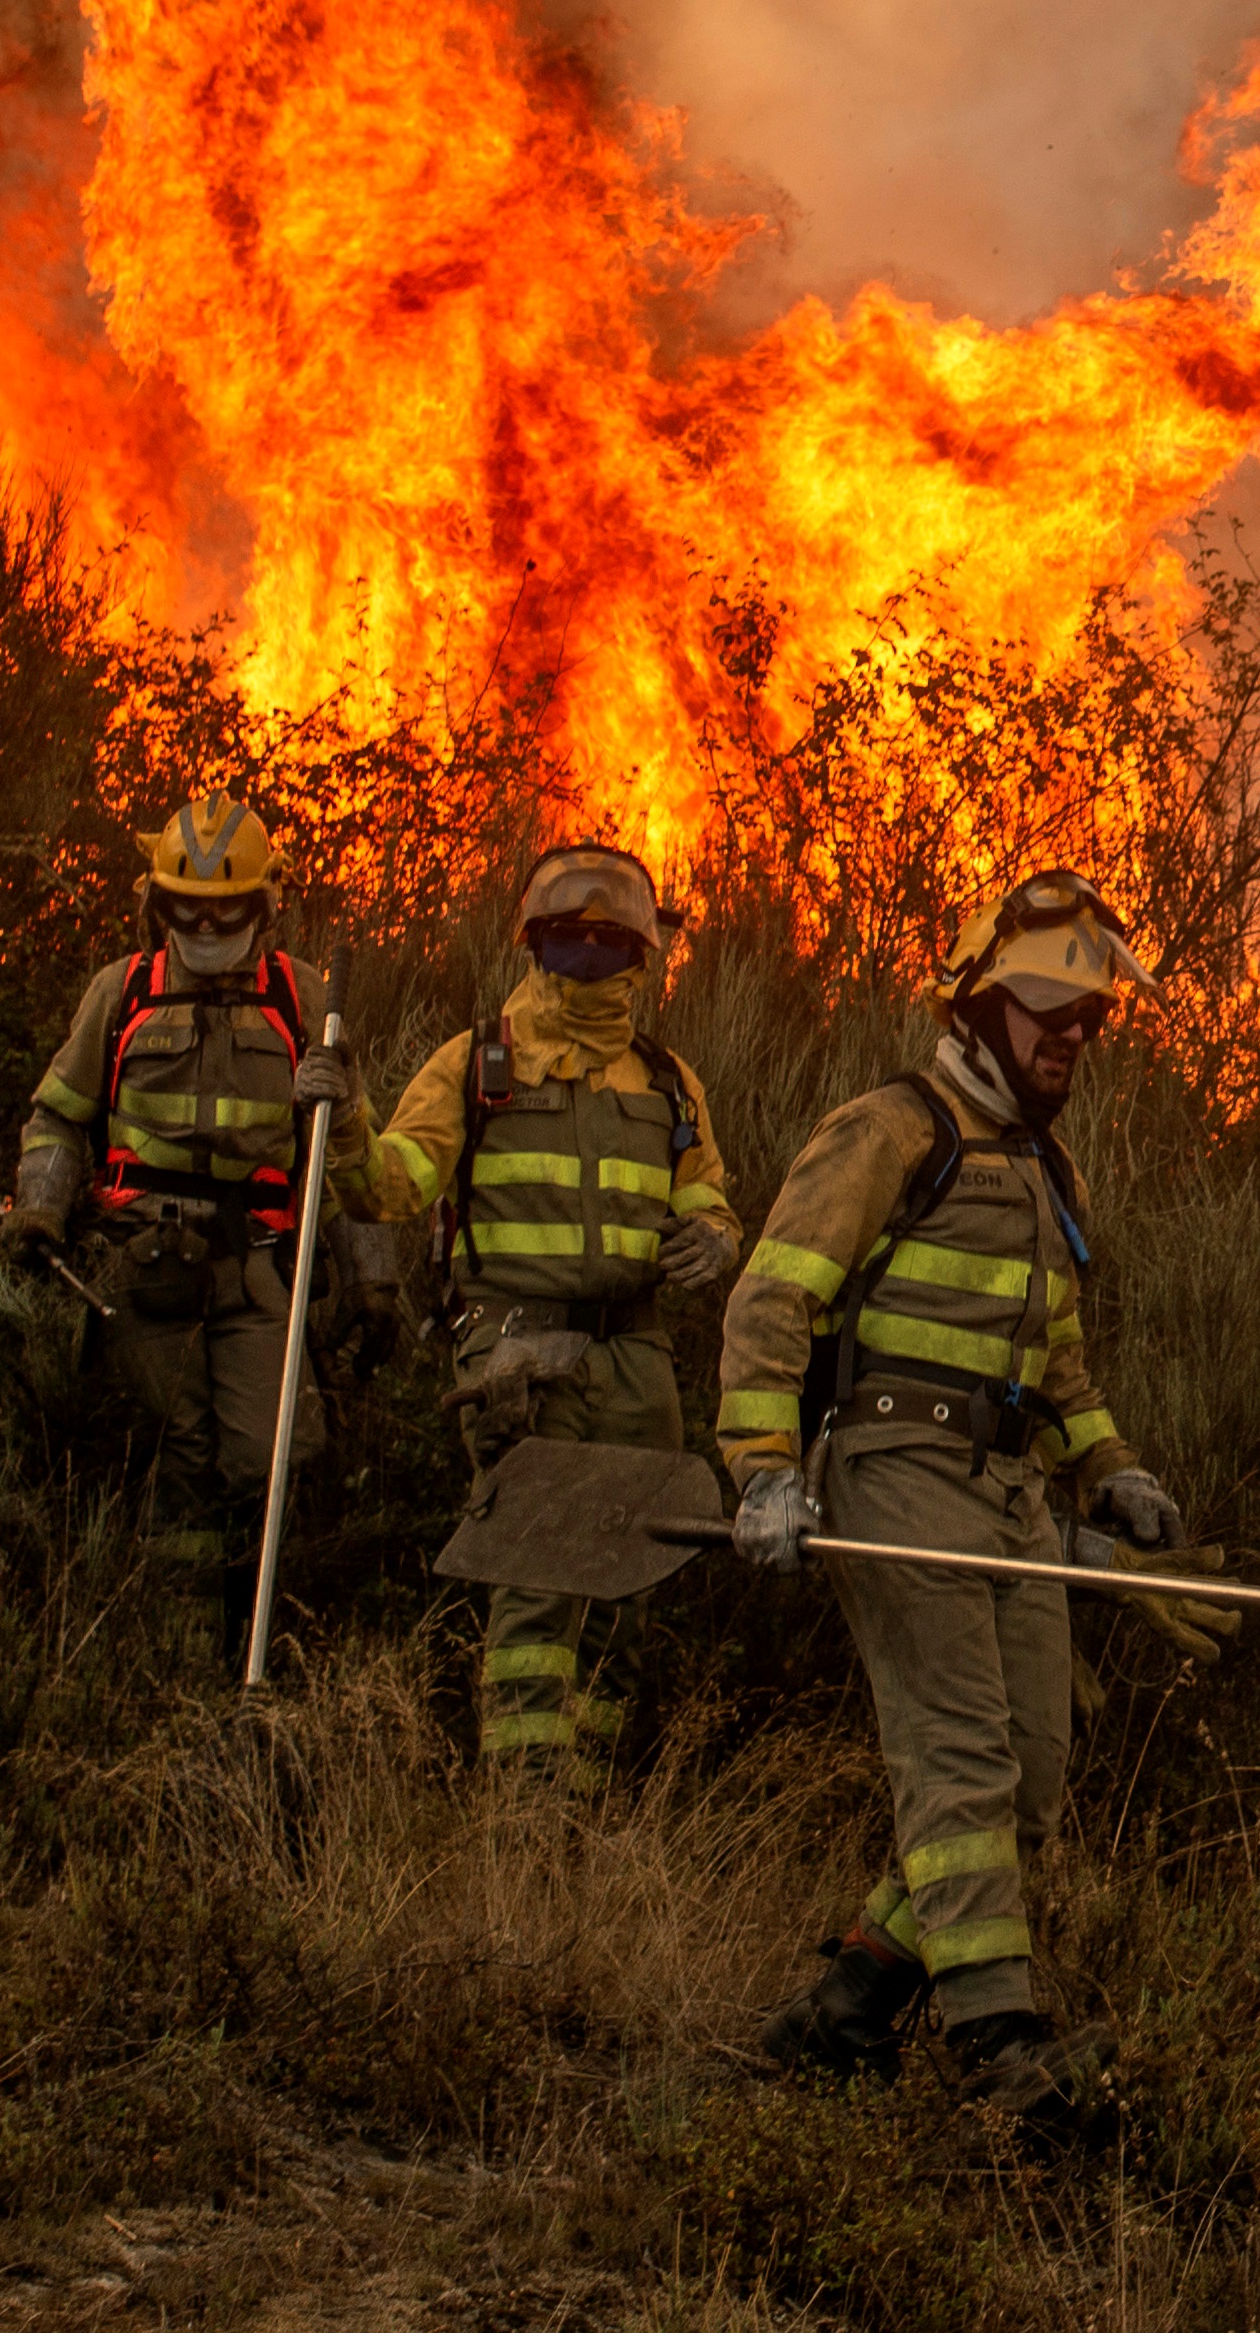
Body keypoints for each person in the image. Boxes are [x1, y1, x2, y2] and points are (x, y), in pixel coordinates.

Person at [712, 870, 1174, 2123]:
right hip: (895, 1475)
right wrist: (761, 1469)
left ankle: (854, 1999)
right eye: (1047, 1010)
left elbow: (1057, 1359)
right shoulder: (888, 1129)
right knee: (960, 1755)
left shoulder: (1047, 1167)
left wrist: (1110, 1465)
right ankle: (996, 2049)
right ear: (975, 1007)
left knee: (1033, 1769)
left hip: (1011, 1490)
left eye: (1090, 1018)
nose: (1072, 1037)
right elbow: (771, 1300)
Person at [359, 842, 744, 1786]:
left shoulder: (664, 1079)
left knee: (633, 1578)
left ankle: (590, 1790)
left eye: (611, 946)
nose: (591, 962)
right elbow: (396, 1186)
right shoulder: (476, 1061)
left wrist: (717, 1235)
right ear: (534, 946)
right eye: (571, 943)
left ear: (643, 957)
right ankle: (525, 1805)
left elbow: (704, 1190)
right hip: (517, 1350)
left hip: (635, 1353)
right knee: (537, 1574)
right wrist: (341, 1132)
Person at [1, 790, 361, 1659]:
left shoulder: (303, 996)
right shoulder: (119, 993)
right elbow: (58, 1115)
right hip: (145, 1269)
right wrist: (41, 1206)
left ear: (266, 904)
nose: (207, 929)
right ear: (156, 904)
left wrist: (371, 1282)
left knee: (270, 1455)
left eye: (226, 911)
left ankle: (259, 1630)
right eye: (187, 911)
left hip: (256, 1270)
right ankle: (179, 1650)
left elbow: (346, 1164)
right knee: (175, 1455)